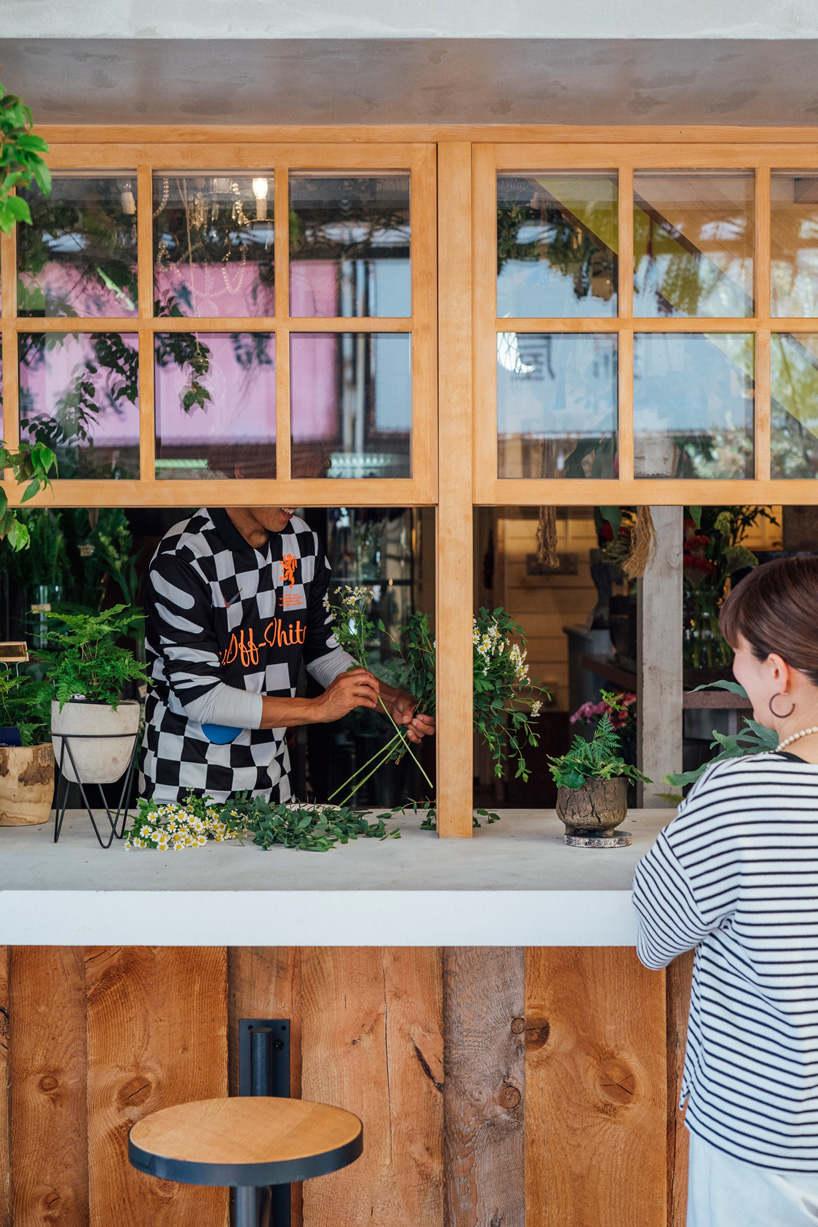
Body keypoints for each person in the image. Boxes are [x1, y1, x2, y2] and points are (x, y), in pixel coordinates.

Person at [632, 555, 818, 1226]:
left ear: (779, 672)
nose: (735, 671)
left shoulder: (739, 793)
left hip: (759, 1142)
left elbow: (654, 938)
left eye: (740, 653)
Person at [140, 502, 434, 804]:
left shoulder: (302, 540)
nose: (297, 496)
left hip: (272, 782)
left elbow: (323, 651)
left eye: (307, 479)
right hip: (186, 781)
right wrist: (319, 708)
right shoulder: (184, 555)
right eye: (289, 477)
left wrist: (390, 701)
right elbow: (202, 698)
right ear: (243, 468)